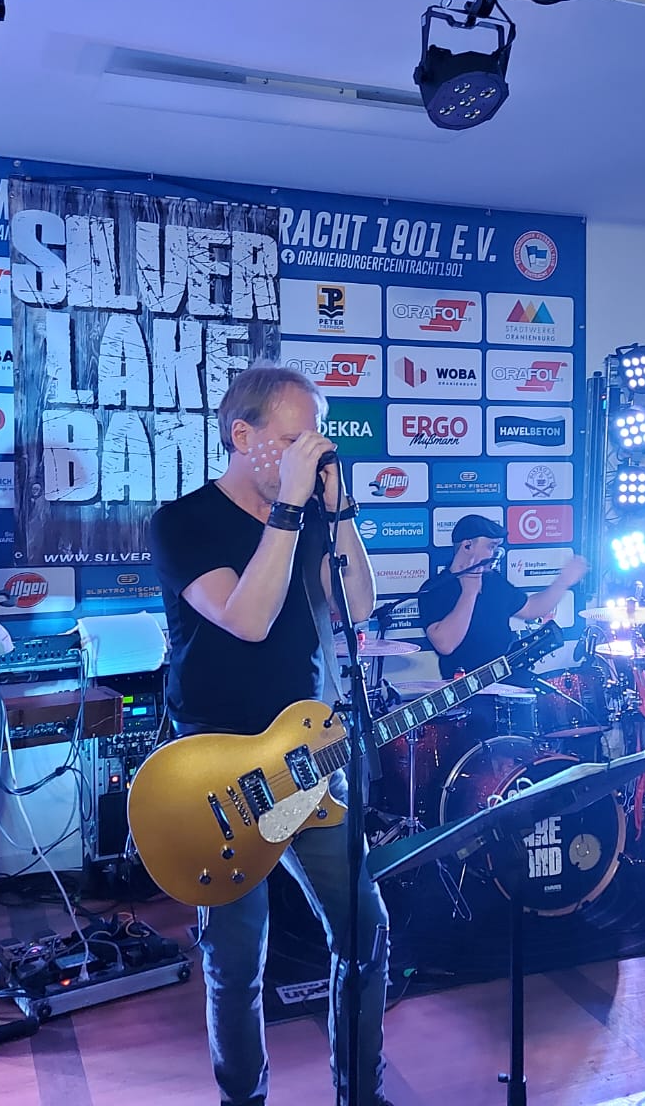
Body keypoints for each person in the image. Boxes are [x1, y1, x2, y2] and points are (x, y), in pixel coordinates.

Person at [149, 361, 388, 1106]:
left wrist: (337, 512)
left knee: (365, 931)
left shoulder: (311, 517)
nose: (305, 455)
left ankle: (361, 1092)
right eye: (290, 441)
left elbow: (358, 606)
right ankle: (243, 1098)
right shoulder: (183, 521)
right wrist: (288, 508)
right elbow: (246, 619)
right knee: (235, 958)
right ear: (241, 435)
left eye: (314, 440)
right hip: (217, 767)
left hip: (309, 756)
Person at [417, 515, 587, 677]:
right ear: (467, 546)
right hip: (462, 688)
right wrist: (469, 592)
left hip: (504, 679)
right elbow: (445, 645)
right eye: (490, 547)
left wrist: (563, 582)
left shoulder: (493, 581)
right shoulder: (434, 589)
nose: (495, 554)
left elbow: (530, 609)